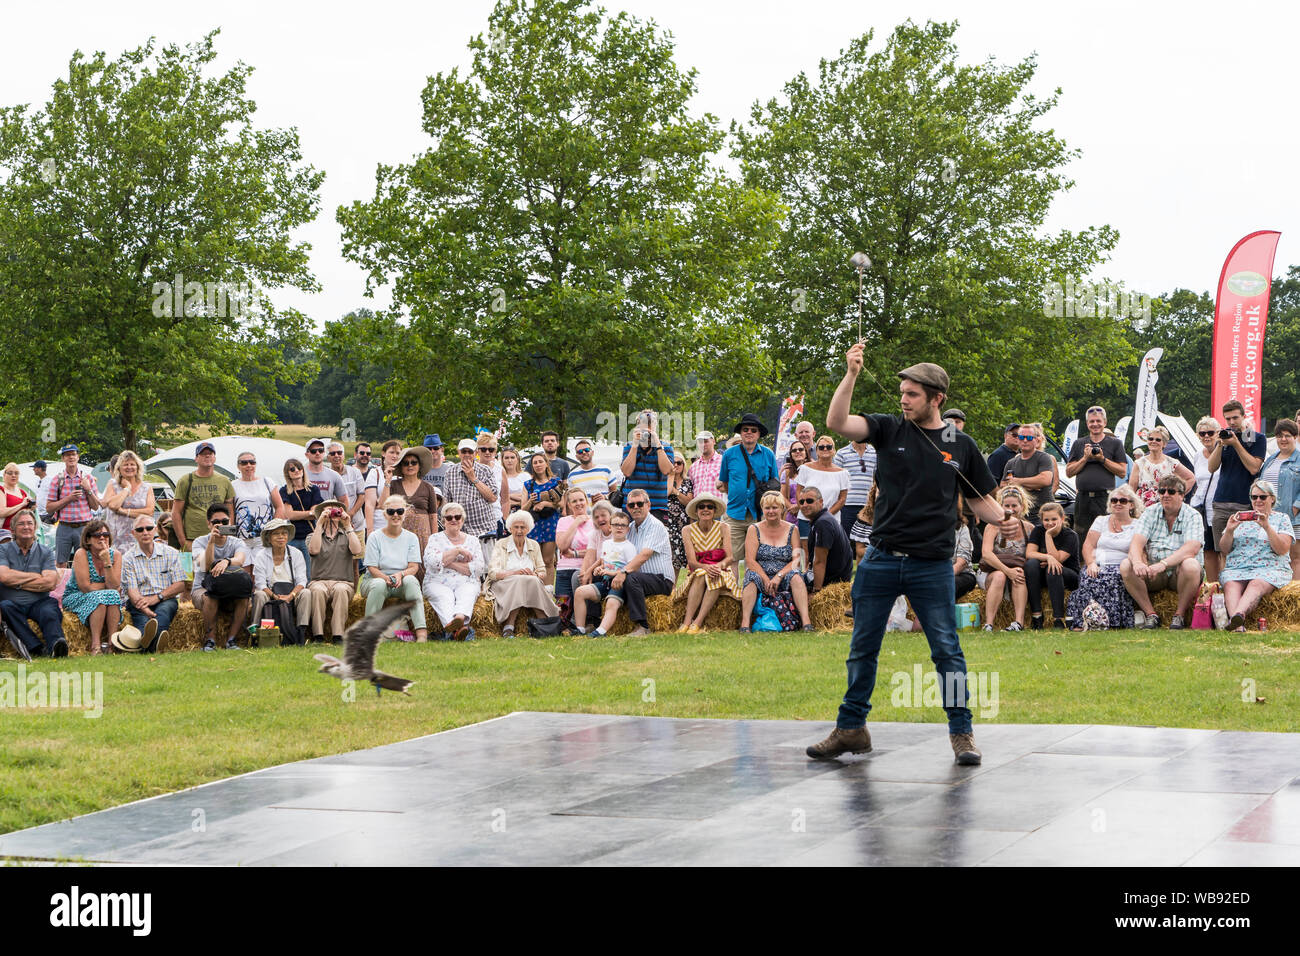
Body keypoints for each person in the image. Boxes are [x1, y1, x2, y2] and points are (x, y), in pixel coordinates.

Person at [812, 350, 1001, 766]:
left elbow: (980, 502)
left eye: (912, 394)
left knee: (947, 651)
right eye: (901, 392)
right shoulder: (888, 429)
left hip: (931, 564)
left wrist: (1003, 519)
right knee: (862, 647)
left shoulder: (960, 444)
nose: (903, 399)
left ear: (936, 398)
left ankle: (962, 733)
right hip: (879, 559)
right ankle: (851, 729)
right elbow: (837, 423)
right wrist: (851, 374)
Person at [1121, 475, 1204, 630]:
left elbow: (1192, 548)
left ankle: (1179, 615)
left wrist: (1163, 564)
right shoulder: (1150, 512)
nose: (1165, 495)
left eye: (1171, 491)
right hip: (1154, 571)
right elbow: (1136, 543)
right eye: (1162, 491)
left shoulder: (1193, 515)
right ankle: (1151, 615)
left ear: (1182, 495)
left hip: (1180, 573)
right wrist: (1138, 562)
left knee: (1191, 565)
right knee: (1126, 565)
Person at [1219, 480, 1295, 630]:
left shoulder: (1281, 519)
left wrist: (1267, 527)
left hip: (1270, 568)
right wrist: (1229, 531)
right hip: (1238, 567)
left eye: (1262, 497)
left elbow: (1282, 549)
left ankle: (1238, 615)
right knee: (1230, 583)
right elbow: (1224, 549)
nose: (1258, 500)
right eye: (1254, 497)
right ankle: (1237, 625)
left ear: (1272, 499)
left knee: (1256, 583)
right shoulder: (1241, 518)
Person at [1066, 488, 1142, 630]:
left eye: (1122, 501)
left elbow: (1138, 550)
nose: (1117, 503)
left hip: (1122, 565)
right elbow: (1088, 545)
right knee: (1088, 577)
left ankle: (1111, 622)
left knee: (1112, 578)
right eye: (1114, 500)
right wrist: (1090, 563)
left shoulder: (1137, 525)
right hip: (1098, 563)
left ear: (1131, 505)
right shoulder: (1101, 521)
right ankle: (1085, 621)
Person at [739, 490, 812, 631]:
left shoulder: (792, 529)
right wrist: (766, 579)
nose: (771, 511)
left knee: (796, 577)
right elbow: (750, 560)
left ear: (782, 509)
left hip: (784, 573)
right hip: (761, 573)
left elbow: (796, 560)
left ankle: (806, 622)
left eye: (775, 507)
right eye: (767, 508)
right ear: (762, 509)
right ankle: (745, 623)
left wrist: (779, 576)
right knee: (751, 576)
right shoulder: (754, 529)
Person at [0, 510, 67, 659]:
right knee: (5, 607)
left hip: (39, 601)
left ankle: (57, 645)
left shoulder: (46, 551)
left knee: (49, 610)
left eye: (30, 523)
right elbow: (4, 577)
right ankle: (36, 647)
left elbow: (50, 582)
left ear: (35, 526)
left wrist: (16, 582)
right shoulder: (3, 550)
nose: (26, 527)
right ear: (13, 529)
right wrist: (36, 577)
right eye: (21, 524)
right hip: (12, 603)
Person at [361, 494, 428, 641]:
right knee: (378, 584)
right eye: (391, 512)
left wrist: (400, 575)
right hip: (375, 579)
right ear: (385, 514)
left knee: (411, 580)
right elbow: (372, 568)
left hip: (400, 580)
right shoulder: (374, 537)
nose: (396, 515)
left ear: (405, 513)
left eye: (400, 511)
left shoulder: (411, 538)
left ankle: (421, 633)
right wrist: (386, 578)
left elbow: (413, 567)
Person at [717, 413, 778, 572]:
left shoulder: (768, 454)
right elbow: (725, 482)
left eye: (753, 430)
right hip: (734, 514)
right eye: (745, 429)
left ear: (758, 434)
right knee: (732, 559)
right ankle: (733, 595)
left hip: (759, 514)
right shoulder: (729, 454)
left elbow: (775, 483)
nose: (749, 432)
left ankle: (754, 594)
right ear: (741, 433)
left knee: (757, 559)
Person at [486, 510, 559, 638]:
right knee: (520, 580)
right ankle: (543, 621)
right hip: (503, 585)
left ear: (528, 529)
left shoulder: (534, 545)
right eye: (516, 527)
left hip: (530, 583)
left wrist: (535, 574)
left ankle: (512, 627)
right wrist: (513, 573)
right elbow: (492, 573)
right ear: (510, 528)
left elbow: (542, 571)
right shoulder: (501, 544)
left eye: (522, 527)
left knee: (531, 580)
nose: (519, 531)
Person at [1209, 399, 1267, 561]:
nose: (1232, 422)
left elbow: (1254, 468)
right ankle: (1223, 586)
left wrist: (1236, 443)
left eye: (1235, 418)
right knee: (1222, 552)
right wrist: (1220, 444)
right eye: (1228, 419)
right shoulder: (1224, 437)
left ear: (1243, 416)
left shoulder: (1257, 438)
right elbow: (1211, 468)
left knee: (1246, 552)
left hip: (1245, 503)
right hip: (1221, 502)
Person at [121, 514, 188, 653]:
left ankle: (147, 644)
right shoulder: (127, 558)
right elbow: (132, 591)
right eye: (140, 530)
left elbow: (180, 585)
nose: (145, 532)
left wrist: (157, 598)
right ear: (133, 533)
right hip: (139, 603)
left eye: (149, 528)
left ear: (155, 530)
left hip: (165, 599)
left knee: (163, 611)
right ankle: (155, 644)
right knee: (144, 624)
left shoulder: (171, 553)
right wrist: (145, 609)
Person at [675, 492, 741, 633]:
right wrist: (706, 567)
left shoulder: (724, 527)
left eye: (710, 507)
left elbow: (730, 557)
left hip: (720, 568)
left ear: (714, 511)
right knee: (700, 574)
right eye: (702, 507)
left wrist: (718, 566)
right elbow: (692, 562)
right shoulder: (687, 530)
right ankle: (687, 622)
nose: (706, 510)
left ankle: (697, 622)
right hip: (698, 568)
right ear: (696, 511)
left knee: (715, 575)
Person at [191, 503, 252, 651]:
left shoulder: (237, 542)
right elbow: (205, 565)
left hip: (230, 589)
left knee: (244, 597)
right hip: (203, 589)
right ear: (208, 524)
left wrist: (227, 561)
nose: (220, 525)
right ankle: (210, 641)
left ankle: (231, 640)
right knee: (211, 597)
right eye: (216, 523)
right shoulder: (199, 541)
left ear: (230, 522)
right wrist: (211, 541)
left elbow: (240, 560)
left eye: (225, 522)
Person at [423, 501, 486, 642]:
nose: (453, 520)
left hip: (466, 581)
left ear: (462, 520)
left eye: (457, 517)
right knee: (444, 597)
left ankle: (459, 619)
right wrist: (458, 551)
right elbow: (431, 563)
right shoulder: (434, 539)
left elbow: (479, 569)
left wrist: (447, 562)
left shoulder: (473, 541)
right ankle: (460, 628)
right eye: (449, 517)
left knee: (467, 592)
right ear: (443, 520)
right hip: (437, 581)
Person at [61, 519, 125, 655]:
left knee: (112, 596)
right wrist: (108, 587)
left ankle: (111, 644)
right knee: (101, 597)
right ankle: (95, 646)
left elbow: (114, 587)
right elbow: (85, 587)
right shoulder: (81, 553)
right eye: (97, 535)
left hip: (100, 594)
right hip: (76, 595)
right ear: (88, 539)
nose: (102, 538)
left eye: (106, 534)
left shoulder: (116, 555)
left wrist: (107, 561)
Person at [305, 498, 364, 643]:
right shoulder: (313, 536)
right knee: (318, 591)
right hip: (319, 581)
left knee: (341, 590)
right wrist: (319, 524)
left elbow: (357, 550)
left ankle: (338, 635)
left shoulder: (348, 535)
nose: (333, 513)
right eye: (329, 510)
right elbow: (314, 550)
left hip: (343, 581)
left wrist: (347, 525)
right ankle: (318, 635)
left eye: (336, 510)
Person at [571, 510, 636, 637]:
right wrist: (598, 569)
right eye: (616, 524)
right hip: (605, 582)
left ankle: (601, 631)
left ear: (627, 529)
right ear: (610, 527)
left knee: (612, 603)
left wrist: (611, 572)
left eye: (623, 525)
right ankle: (580, 628)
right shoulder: (607, 544)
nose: (619, 527)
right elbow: (605, 561)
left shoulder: (628, 547)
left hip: (619, 584)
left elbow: (631, 569)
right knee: (580, 592)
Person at [1065, 405, 1127, 536]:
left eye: (1098, 421)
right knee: (1081, 534)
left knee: (1106, 533)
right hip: (1083, 498)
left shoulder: (1115, 443)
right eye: (1092, 421)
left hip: (1104, 497)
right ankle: (1082, 557)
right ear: (1087, 424)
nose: (1095, 424)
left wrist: (1102, 459)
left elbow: (1122, 471)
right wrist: (1085, 458)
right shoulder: (1078, 443)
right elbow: (1069, 472)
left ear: (1105, 422)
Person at [980, 487, 1034, 633]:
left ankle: (1018, 622)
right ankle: (989, 624)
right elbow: (986, 554)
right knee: (1000, 576)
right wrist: (1007, 570)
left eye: (1014, 506)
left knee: (1019, 573)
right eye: (1007, 506)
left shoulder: (1029, 528)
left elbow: (1032, 553)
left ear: (1022, 507)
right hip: (993, 571)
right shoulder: (992, 526)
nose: (1010, 509)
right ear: (1000, 507)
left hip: (1016, 570)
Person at [250, 518, 311, 642]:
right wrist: (273, 596)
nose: (281, 537)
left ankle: (301, 632)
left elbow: (302, 581)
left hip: (291, 591)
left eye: (284, 533)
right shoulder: (261, 555)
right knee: (260, 595)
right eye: (276, 534)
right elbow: (260, 583)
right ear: (269, 538)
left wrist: (291, 595)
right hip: (270, 592)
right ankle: (255, 633)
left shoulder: (296, 553)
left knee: (306, 593)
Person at [1024, 501, 1081, 629]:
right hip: (1045, 573)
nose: (1050, 523)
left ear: (1062, 518)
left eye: (1054, 519)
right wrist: (1047, 557)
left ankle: (1058, 619)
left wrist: (1048, 535)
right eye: (1046, 520)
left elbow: (1058, 559)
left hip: (1068, 576)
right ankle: (1037, 616)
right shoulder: (1038, 530)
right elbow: (1029, 553)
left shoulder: (1070, 535)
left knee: (1053, 568)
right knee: (1031, 564)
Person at [170, 441, 234, 555]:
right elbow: (176, 512)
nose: (207, 456)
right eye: (203, 454)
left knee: (220, 571)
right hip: (193, 539)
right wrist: (182, 541)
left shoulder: (225, 481)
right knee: (197, 572)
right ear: (196, 458)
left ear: (214, 458)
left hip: (219, 538)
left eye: (210, 453)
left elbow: (230, 511)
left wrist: (228, 535)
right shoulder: (185, 480)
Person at [443, 438, 500, 563]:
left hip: (484, 528)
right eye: (464, 451)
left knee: (488, 568)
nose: (467, 454)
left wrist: (473, 478)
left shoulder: (485, 471)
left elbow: (492, 497)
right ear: (459, 453)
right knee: (466, 566)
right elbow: (447, 502)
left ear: (476, 453)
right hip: (460, 529)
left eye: (470, 451)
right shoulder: (450, 472)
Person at [46, 443, 103, 566]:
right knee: (61, 563)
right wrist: (69, 498)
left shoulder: (87, 478)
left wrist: (88, 490)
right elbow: (49, 508)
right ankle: (62, 585)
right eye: (67, 455)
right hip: (64, 527)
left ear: (78, 457)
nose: (71, 457)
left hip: (84, 527)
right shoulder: (57, 480)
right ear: (63, 459)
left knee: (85, 563)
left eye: (73, 454)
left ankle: (82, 585)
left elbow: (95, 506)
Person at [1259, 419, 1300, 579]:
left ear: (1295, 437)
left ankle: (1295, 596)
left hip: (1294, 518)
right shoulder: (1271, 460)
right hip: (1272, 518)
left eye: (1288, 436)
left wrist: (1296, 506)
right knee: (1275, 557)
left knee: (1295, 558)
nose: (1283, 439)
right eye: (1279, 436)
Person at [390, 445, 440, 571]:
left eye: (414, 462)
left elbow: (433, 516)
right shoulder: (394, 485)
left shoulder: (428, 487)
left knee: (423, 566)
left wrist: (434, 540)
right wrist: (387, 480)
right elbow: (383, 505)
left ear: (419, 466)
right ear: (401, 467)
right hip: (400, 533)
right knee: (401, 565)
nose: (410, 465)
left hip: (423, 535)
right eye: (406, 463)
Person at [620, 409, 675, 521]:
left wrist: (657, 444)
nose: (647, 428)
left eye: (650, 424)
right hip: (632, 505)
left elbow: (666, 470)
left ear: (655, 426)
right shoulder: (629, 446)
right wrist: (635, 445)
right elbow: (626, 472)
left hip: (657, 506)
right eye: (644, 424)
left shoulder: (666, 447)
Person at [795, 436, 850, 546]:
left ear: (834, 450)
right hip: (806, 519)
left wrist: (825, 516)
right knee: (805, 554)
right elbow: (799, 492)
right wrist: (806, 510)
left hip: (831, 520)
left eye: (829, 447)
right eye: (821, 447)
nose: (825, 449)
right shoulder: (805, 468)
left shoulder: (842, 473)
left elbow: (842, 499)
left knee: (828, 554)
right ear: (816, 450)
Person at [1189, 415, 1224, 584]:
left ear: (1218, 433)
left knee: (1223, 551)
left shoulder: (1225, 453)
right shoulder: (1197, 456)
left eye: (1210, 432)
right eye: (1202, 434)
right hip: (1201, 509)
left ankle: (1226, 587)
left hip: (1220, 508)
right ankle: (1212, 588)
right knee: (1208, 551)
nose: (1206, 437)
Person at [799, 486, 854, 593]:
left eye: (809, 501)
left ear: (821, 502)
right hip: (833, 579)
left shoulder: (823, 523)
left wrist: (816, 592)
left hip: (831, 584)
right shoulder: (823, 519)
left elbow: (819, 561)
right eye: (801, 502)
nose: (805, 505)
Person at [1126, 426, 1195, 509]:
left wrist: (1177, 495)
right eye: (1151, 439)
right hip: (1143, 509)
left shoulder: (1172, 463)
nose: (1153, 441)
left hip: (1166, 508)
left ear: (1165, 443)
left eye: (1158, 440)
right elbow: (1131, 490)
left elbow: (1191, 478)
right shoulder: (1139, 463)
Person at [231, 450, 284, 556]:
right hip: (241, 538)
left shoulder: (267, 482)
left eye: (252, 462)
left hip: (264, 537)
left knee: (261, 570)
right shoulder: (233, 485)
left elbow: (280, 507)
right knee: (243, 571)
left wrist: (274, 530)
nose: (248, 465)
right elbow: (231, 512)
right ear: (238, 466)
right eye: (244, 463)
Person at [555, 488, 597, 616]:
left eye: (581, 500)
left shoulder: (595, 521)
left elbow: (597, 550)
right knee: (563, 608)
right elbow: (562, 546)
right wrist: (576, 522)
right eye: (574, 501)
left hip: (585, 569)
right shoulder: (563, 521)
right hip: (564, 570)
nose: (578, 503)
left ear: (587, 501)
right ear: (569, 504)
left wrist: (575, 554)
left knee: (580, 607)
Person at [522, 452, 563, 585]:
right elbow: (522, 509)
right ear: (532, 466)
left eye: (540, 461)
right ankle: (536, 591)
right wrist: (531, 501)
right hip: (534, 524)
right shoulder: (528, 484)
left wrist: (545, 503)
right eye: (535, 463)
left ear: (546, 463)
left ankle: (549, 592)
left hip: (550, 523)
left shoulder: (556, 482)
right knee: (534, 561)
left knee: (548, 561)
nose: (538, 465)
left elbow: (562, 504)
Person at [999, 425, 1053, 522]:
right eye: (1021, 437)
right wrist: (1032, 485)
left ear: (1036, 440)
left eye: (1029, 438)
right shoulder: (1011, 463)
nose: (1024, 440)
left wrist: (1018, 482)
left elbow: (1045, 480)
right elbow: (1003, 485)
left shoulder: (1044, 458)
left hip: (1042, 514)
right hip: (1019, 515)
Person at [833, 435, 876, 556]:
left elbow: (877, 479)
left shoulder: (875, 453)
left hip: (868, 506)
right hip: (847, 505)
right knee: (845, 542)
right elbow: (836, 480)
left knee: (866, 542)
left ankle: (864, 571)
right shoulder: (842, 453)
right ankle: (845, 573)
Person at [280, 458, 324, 576]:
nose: (297, 471)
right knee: (292, 573)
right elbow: (290, 515)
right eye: (292, 469)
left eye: (299, 468)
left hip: (309, 536)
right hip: (292, 537)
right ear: (287, 473)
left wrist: (306, 514)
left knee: (310, 573)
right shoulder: (284, 491)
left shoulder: (313, 489)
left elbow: (316, 513)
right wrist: (308, 513)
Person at [474, 433, 507, 560]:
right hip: (476, 518)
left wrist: (505, 518)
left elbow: (505, 499)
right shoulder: (472, 468)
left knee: (495, 559)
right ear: (478, 451)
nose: (487, 452)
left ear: (495, 451)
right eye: (483, 449)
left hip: (495, 516)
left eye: (491, 449)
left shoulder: (500, 469)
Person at [327, 441, 366, 538]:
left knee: (359, 552)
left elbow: (362, 496)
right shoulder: (325, 475)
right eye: (332, 453)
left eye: (339, 453)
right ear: (328, 457)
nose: (336, 456)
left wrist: (351, 513)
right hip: (333, 528)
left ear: (343, 455)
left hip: (356, 525)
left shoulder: (355, 472)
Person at [664, 454, 694, 573]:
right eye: (673, 462)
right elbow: (664, 495)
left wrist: (675, 492)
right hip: (666, 522)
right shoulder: (664, 480)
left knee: (677, 558)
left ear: (683, 465)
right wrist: (670, 480)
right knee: (667, 556)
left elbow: (689, 502)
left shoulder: (688, 482)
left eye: (679, 463)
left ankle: (675, 588)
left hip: (681, 524)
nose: (676, 465)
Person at [303, 438, 349, 511]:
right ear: (307, 454)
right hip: (306, 520)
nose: (317, 453)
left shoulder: (334, 475)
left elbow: (344, 501)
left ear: (324, 453)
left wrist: (337, 515)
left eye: (320, 450)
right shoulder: (300, 475)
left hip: (328, 520)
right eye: (313, 451)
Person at [568, 438, 617, 502]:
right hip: (582, 511)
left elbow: (615, 492)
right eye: (580, 451)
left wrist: (605, 497)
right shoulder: (572, 475)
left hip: (603, 510)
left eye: (587, 450)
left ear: (592, 453)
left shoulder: (606, 470)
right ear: (576, 456)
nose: (584, 452)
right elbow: (570, 497)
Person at [351, 441, 383, 536]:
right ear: (355, 455)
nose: (365, 455)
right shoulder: (349, 473)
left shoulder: (374, 474)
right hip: (354, 519)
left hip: (371, 520)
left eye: (368, 454)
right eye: (362, 453)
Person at [0, 462, 33, 542]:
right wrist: (22, 504)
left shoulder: (23, 492)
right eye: (10, 473)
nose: (13, 475)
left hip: (24, 533)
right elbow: (2, 512)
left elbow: (26, 512)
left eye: (16, 473)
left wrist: (32, 508)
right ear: (4, 475)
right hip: (6, 534)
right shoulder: (2, 490)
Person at [686, 431, 723, 503]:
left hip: (719, 508)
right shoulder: (693, 467)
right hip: (699, 509)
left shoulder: (723, 461)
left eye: (706, 441)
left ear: (713, 441)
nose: (703, 444)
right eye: (700, 442)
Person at [780, 440, 809, 522]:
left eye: (800, 449)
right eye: (794, 450)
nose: (797, 452)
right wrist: (791, 508)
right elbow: (782, 495)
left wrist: (799, 506)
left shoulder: (813, 471)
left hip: (808, 513)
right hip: (791, 515)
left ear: (806, 453)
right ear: (791, 455)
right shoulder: (786, 473)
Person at [500, 447, 527, 514]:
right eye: (506, 458)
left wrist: (507, 496)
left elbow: (528, 497)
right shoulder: (499, 477)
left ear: (517, 459)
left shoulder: (525, 476)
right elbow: (498, 498)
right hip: (504, 512)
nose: (509, 460)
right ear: (502, 460)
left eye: (512, 457)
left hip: (523, 511)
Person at [32, 460, 53, 526]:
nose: (33, 469)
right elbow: (36, 496)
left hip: (48, 514)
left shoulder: (50, 480)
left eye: (34, 468)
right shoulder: (37, 481)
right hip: (38, 514)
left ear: (40, 468)